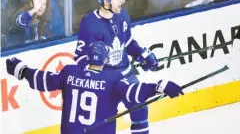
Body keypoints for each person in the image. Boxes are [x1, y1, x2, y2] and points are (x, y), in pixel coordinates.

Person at [6, 41, 184, 134]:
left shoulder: (70, 73)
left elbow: (43, 80)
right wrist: (160, 86)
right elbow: (134, 93)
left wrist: (21, 70)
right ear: (106, 60)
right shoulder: (113, 79)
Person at [73, 0, 159, 134]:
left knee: (140, 109)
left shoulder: (123, 16)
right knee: (101, 123)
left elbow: (128, 42)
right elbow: (80, 57)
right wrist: (94, 77)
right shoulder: (90, 24)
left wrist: (142, 54)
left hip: (126, 74)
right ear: (106, 2)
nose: (121, 0)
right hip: (106, 81)